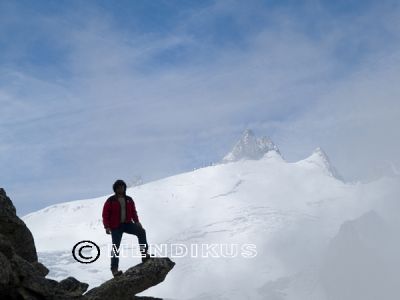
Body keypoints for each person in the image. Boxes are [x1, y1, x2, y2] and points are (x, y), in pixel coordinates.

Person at [102, 179, 151, 277]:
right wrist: (106, 227)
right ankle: (114, 269)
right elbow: (105, 214)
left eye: (122, 187)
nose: (121, 188)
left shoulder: (129, 199)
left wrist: (137, 222)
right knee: (116, 247)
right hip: (116, 226)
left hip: (127, 224)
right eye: (119, 187)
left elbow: (133, 212)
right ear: (115, 189)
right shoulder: (110, 200)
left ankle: (144, 254)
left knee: (141, 232)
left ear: (125, 188)